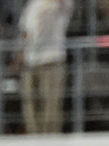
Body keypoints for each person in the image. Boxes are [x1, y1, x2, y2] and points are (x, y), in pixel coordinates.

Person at [19, 0, 73, 134]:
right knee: (29, 102)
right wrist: (21, 53)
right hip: (30, 60)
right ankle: (33, 134)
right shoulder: (31, 5)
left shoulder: (57, 4)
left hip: (51, 58)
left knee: (51, 102)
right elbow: (26, 31)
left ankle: (50, 135)